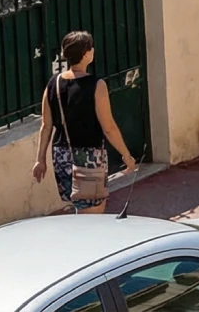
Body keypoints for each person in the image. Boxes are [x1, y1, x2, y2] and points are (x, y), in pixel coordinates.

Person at [33, 30, 136, 214]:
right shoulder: (97, 85)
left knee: (80, 210)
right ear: (86, 54)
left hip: (61, 155)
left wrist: (40, 160)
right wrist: (126, 156)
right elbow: (109, 127)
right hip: (88, 157)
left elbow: (46, 125)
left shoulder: (53, 83)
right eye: (90, 47)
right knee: (93, 216)